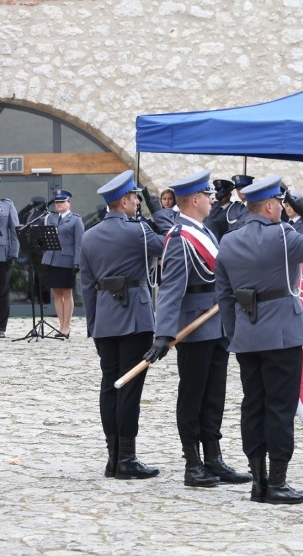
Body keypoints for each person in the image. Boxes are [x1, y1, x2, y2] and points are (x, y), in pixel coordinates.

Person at [215, 176, 303, 504]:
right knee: (280, 408)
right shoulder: (283, 235)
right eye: (280, 206)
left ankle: (258, 482)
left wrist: (234, 332)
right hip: (282, 333)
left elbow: (224, 296)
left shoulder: (228, 241)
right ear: (270, 206)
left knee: (253, 406)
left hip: (247, 333)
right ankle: (278, 482)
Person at [142, 170, 249, 488]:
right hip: (193, 329)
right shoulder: (179, 238)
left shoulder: (205, 231)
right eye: (208, 195)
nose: (213, 199)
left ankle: (214, 459)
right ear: (194, 200)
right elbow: (171, 289)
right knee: (193, 396)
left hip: (216, 327)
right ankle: (192, 463)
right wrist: (164, 333)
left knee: (214, 396)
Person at [79, 170, 164, 479]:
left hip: (104, 320)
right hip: (135, 319)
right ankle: (126, 458)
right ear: (126, 201)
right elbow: (171, 240)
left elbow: (86, 286)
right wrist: (158, 208)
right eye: (135, 200)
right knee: (129, 387)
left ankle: (113, 458)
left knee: (109, 386)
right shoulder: (138, 232)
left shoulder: (90, 234)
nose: (137, 204)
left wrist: (94, 323)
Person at [40, 189, 85, 338]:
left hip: (67, 260)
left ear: (69, 203)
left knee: (66, 292)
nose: (58, 205)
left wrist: (77, 263)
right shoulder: (50, 218)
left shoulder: (76, 220)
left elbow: (79, 243)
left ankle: (67, 326)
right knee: (56, 293)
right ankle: (61, 325)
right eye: (56, 202)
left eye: (61, 202)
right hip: (52, 259)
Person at [0, 183, 20, 339]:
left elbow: (15, 230)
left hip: (2, 255)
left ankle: (1, 327)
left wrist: (13, 254)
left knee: (2, 292)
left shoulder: (7, 204)